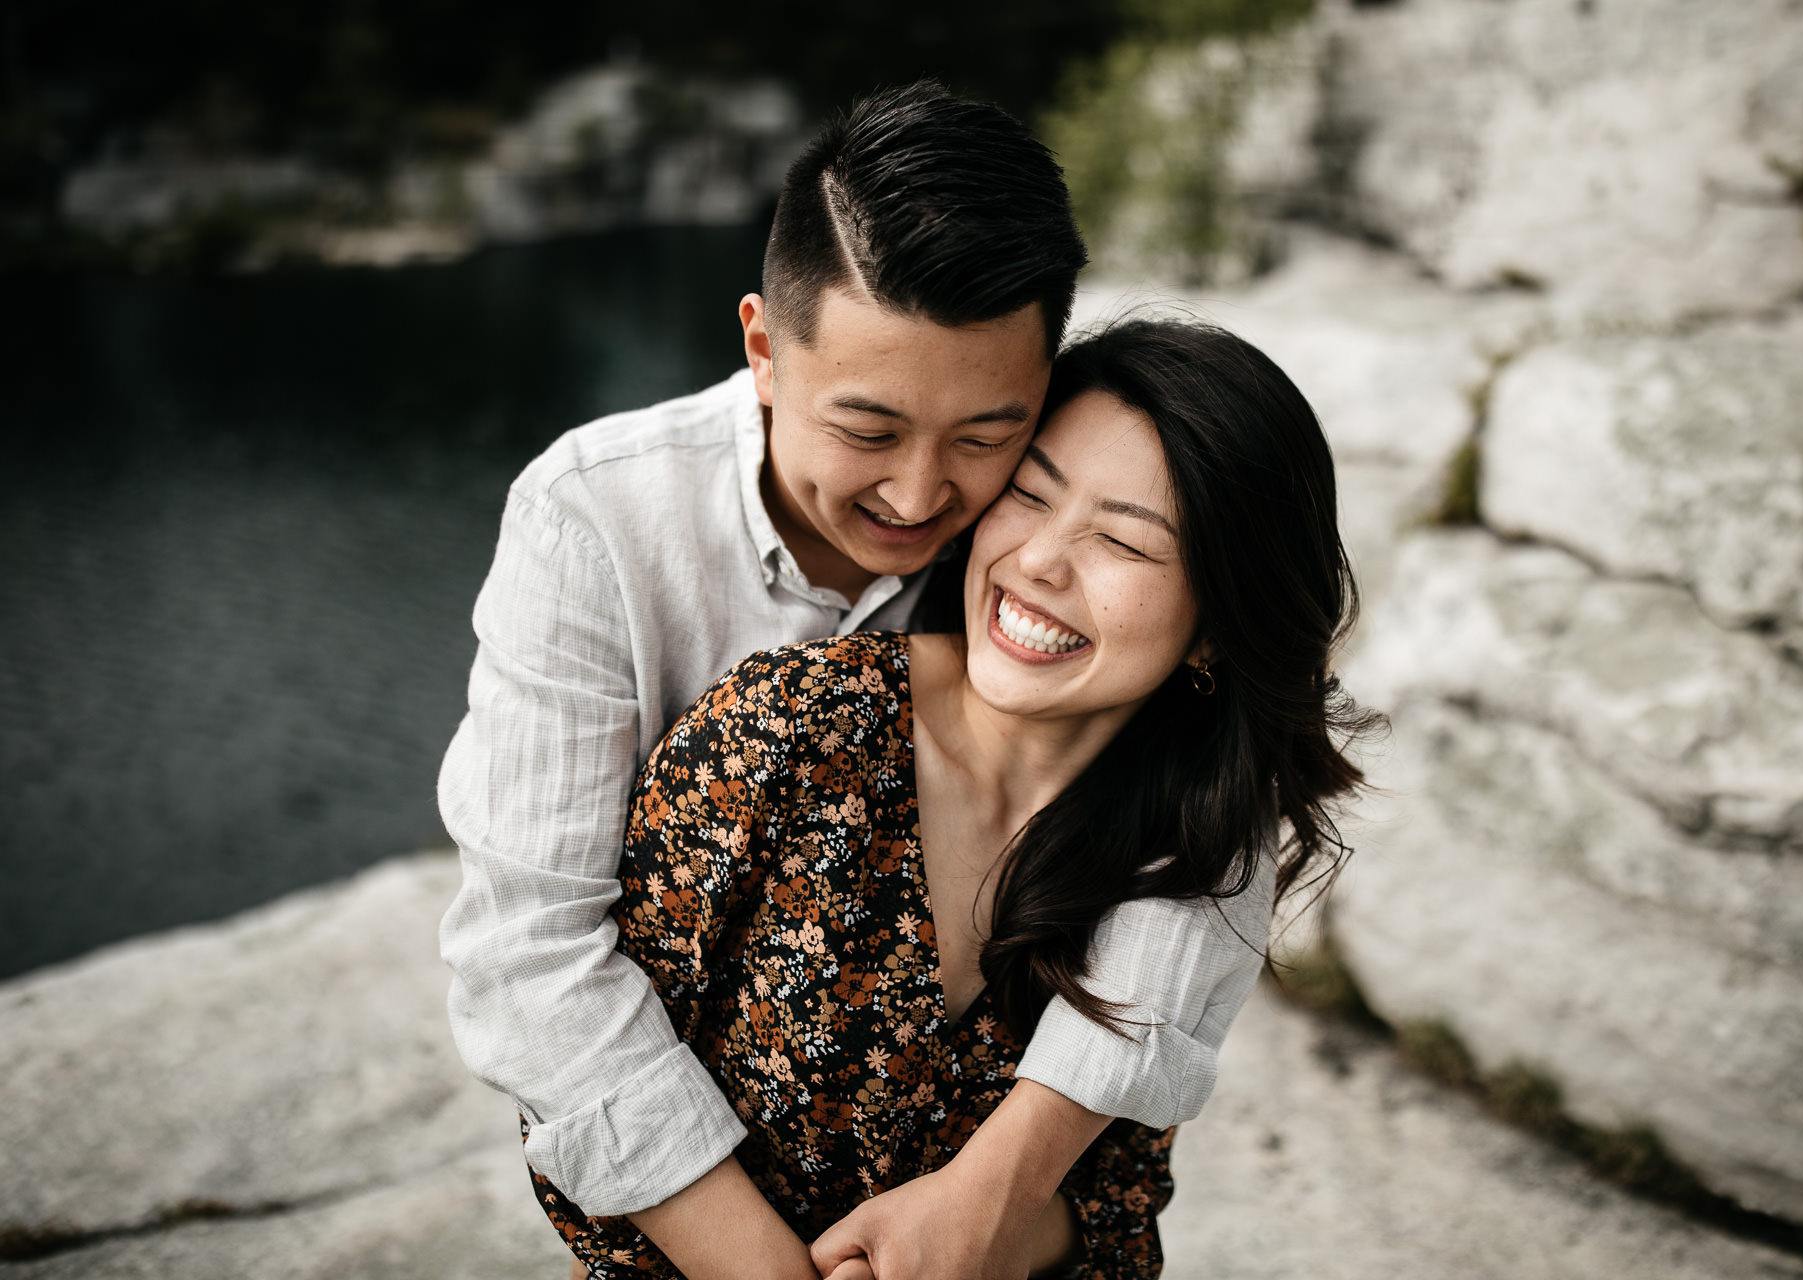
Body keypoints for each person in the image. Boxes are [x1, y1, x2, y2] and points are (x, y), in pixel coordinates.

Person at [438, 84, 1283, 1279]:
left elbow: (1213, 795)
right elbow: (530, 952)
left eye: (990, 435)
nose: (922, 495)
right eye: (870, 429)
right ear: (764, 349)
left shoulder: (1043, 548)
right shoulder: (600, 520)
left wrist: (997, 1192)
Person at [527, 318, 1376, 1279]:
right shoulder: (792, 730)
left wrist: (990, 1224)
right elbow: (582, 1085)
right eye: (1029, 493)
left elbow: (1122, 1204)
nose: (1041, 561)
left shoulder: (1183, 851)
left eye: (1123, 544)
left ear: (1216, 630)